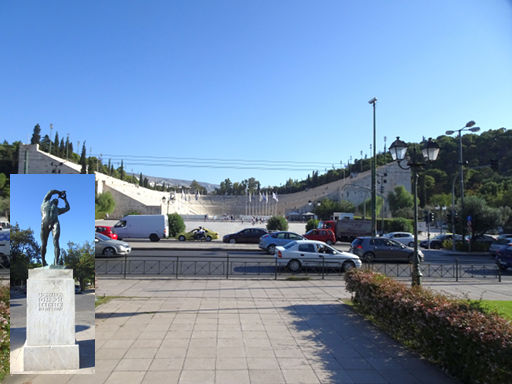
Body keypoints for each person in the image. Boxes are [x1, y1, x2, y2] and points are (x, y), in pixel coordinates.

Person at [40, 189, 70, 266]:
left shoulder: (57, 210)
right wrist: (59, 192)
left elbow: (67, 208)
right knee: (44, 244)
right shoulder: (45, 203)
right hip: (45, 224)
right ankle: (43, 261)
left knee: (56, 242)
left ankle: (56, 262)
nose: (56, 200)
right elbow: (50, 191)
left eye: (57, 201)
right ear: (51, 200)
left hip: (55, 223)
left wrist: (65, 199)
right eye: (55, 199)